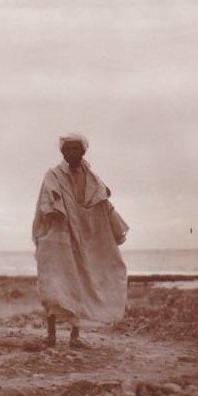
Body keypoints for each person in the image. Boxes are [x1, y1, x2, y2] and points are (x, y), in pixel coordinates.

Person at [32, 133, 129, 347]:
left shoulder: (92, 178)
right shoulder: (53, 176)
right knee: (54, 285)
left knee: (81, 284)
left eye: (76, 149)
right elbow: (47, 202)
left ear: (83, 151)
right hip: (57, 238)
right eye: (67, 149)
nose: (71, 153)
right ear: (62, 151)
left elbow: (102, 204)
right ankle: (51, 336)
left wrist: (112, 228)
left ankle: (75, 337)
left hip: (84, 239)